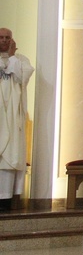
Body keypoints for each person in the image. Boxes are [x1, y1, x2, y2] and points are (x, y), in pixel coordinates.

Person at [0, 28, 34, 211]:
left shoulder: (21, 61)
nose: (4, 41)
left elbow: (22, 77)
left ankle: (5, 202)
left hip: (13, 119)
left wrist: (11, 57)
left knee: (9, 156)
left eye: (8, 38)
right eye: (1, 37)